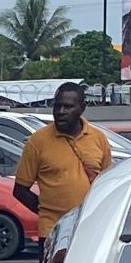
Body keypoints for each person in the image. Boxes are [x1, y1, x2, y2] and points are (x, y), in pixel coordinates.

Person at [12, 80, 116, 248]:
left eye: (68, 107)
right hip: (53, 232)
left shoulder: (98, 138)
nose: (61, 112)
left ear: (82, 108)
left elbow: (106, 185)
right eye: (57, 106)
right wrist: (47, 212)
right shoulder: (38, 141)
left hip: (90, 229)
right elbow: (20, 190)